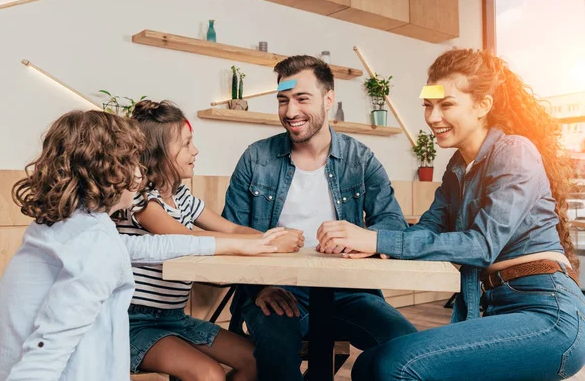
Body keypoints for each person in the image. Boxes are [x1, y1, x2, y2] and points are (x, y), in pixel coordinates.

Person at [316, 48, 585, 380]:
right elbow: (428, 226)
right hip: (495, 307)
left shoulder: (515, 152)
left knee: (393, 365)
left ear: (483, 105)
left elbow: (483, 244)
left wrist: (376, 238)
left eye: (446, 105)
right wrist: (371, 244)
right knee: (369, 363)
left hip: (547, 313)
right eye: (428, 105)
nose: (432, 117)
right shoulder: (458, 167)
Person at [0, 110, 278, 381]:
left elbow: (144, 248)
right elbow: (47, 349)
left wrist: (235, 245)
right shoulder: (95, 243)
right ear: (111, 173)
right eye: (134, 161)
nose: (141, 172)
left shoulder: (69, 227)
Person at [222, 55, 417, 380]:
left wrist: (367, 242)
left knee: (406, 345)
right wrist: (258, 289)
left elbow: (393, 224)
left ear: (329, 100)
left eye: (301, 98)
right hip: (275, 288)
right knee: (278, 350)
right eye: (282, 100)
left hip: (348, 289)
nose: (290, 111)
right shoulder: (256, 159)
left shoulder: (360, 159)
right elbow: (234, 235)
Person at [117, 100, 303, 381]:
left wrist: (274, 237)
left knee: (256, 359)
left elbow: (230, 230)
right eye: (186, 144)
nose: (195, 151)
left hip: (174, 317)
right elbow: (185, 239)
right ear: (157, 153)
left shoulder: (181, 198)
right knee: (208, 374)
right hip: (134, 321)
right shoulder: (141, 201)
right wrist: (269, 244)